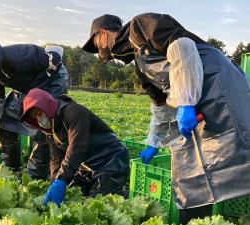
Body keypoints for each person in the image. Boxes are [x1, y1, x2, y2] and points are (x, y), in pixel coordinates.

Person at [82, 13, 250, 224]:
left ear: (103, 33)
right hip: (196, 101)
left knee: (237, 150)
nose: (98, 49)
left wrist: (186, 102)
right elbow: (160, 106)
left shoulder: (139, 27)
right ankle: (195, 220)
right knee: (189, 170)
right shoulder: (140, 63)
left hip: (217, 85)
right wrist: (153, 142)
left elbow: (183, 47)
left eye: (95, 42)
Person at [0, 42, 68, 180]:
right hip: (26, 87)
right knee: (4, 122)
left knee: (43, 127)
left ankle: (36, 178)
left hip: (52, 80)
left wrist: (53, 49)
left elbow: (54, 57)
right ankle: (13, 173)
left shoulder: (18, 57)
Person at [20, 88, 129, 207]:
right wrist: (55, 181)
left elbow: (77, 148)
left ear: (47, 106)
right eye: (35, 117)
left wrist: (61, 180)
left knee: (97, 204)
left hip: (110, 160)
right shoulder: (51, 130)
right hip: (87, 165)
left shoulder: (74, 112)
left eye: (39, 113)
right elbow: (56, 158)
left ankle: (122, 194)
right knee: (72, 194)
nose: (39, 119)